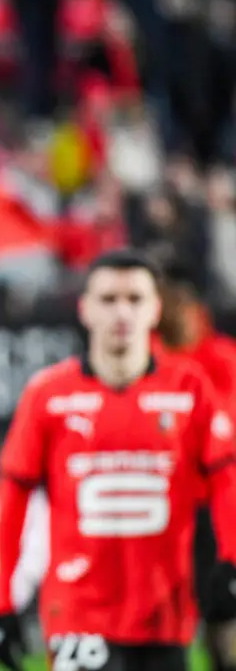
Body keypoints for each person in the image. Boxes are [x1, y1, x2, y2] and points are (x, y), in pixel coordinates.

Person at [0, 249, 236, 671]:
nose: (122, 312)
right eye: (108, 299)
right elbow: (14, 492)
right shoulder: (48, 395)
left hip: (164, 617)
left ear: (155, 309)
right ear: (85, 309)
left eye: (135, 299)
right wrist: (2, 601)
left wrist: (231, 559)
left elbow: (225, 477)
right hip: (76, 618)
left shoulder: (189, 388)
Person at [154, 262, 236, 671]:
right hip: (166, 506)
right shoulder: (151, 360)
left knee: (223, 614)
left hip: (215, 503)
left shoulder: (221, 356)